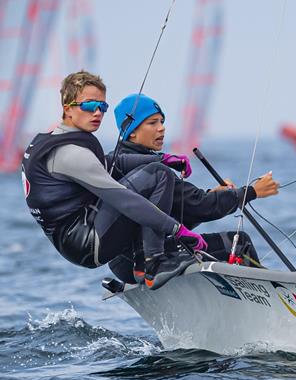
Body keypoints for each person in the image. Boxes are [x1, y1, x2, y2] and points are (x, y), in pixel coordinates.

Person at [21, 71, 205, 290]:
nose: (98, 112)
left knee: (156, 168)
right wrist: (178, 230)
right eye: (89, 106)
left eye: (102, 107)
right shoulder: (71, 154)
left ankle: (141, 265)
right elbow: (125, 200)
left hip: (75, 238)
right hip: (87, 244)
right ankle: (154, 264)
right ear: (67, 107)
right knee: (158, 175)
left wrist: (162, 157)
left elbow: (111, 162)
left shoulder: (53, 140)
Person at [106, 93, 280, 282]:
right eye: (152, 123)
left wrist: (212, 194)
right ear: (132, 130)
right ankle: (268, 298)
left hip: (120, 264)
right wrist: (252, 192)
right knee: (239, 243)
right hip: (145, 261)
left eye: (162, 122)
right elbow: (201, 207)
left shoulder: (117, 162)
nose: (161, 128)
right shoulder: (152, 170)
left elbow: (179, 210)